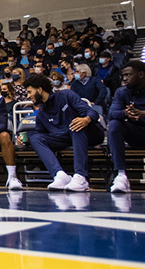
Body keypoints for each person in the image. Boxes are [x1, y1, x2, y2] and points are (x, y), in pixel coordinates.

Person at [24, 75, 104, 191]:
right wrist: (25, 140)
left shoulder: (66, 95)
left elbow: (91, 112)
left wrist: (86, 119)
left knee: (75, 125)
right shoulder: (41, 113)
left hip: (89, 133)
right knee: (35, 138)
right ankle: (60, 175)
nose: (28, 96)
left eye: (29, 92)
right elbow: (40, 133)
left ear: (40, 89)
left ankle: (81, 177)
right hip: (64, 137)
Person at [107, 61, 145, 193]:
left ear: (141, 74)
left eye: (128, 75)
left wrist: (143, 114)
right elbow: (111, 113)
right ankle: (121, 175)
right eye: (123, 75)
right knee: (114, 124)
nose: (124, 78)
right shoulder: (121, 92)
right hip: (136, 133)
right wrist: (125, 113)